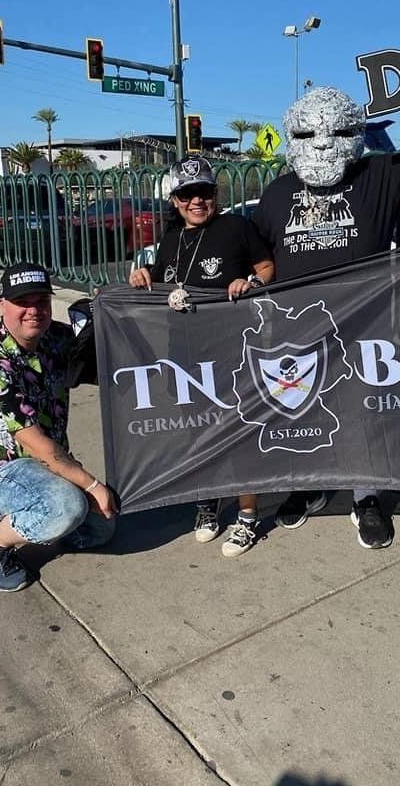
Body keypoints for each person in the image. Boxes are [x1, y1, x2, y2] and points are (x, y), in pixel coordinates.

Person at [254, 85, 400, 548]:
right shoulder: (277, 193)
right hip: (298, 331)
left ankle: (366, 496)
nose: (323, 144)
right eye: (308, 133)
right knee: (300, 411)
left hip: (366, 327)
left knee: (366, 415)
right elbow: (259, 257)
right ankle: (308, 486)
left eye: (336, 132)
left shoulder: (376, 175)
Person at [129, 156, 274, 557]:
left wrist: (252, 280)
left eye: (204, 192)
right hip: (183, 355)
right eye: (187, 194)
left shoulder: (236, 227)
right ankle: (208, 502)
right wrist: (143, 275)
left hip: (231, 351)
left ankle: (247, 515)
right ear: (175, 200)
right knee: (197, 432)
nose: (197, 201)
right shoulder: (171, 237)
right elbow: (163, 281)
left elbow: (266, 266)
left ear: (215, 194)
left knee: (239, 433)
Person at [0, 262, 118, 593]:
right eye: (22, 302)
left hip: (45, 464)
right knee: (66, 507)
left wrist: (112, 303)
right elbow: (39, 447)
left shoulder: (54, 338)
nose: (33, 311)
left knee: (101, 527)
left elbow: (99, 351)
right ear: (2, 304)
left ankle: (48, 518)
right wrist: (90, 486)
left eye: (41, 301)